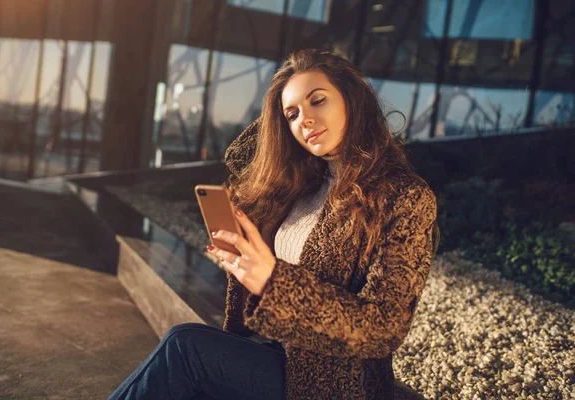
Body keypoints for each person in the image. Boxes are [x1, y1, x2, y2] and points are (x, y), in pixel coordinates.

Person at [107, 48, 439, 400]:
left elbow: (384, 327)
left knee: (184, 347)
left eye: (318, 101)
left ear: (352, 99)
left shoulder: (404, 196)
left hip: (335, 383)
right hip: (278, 352)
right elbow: (241, 154)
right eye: (292, 114)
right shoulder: (309, 184)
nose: (304, 121)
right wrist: (245, 263)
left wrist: (272, 279)